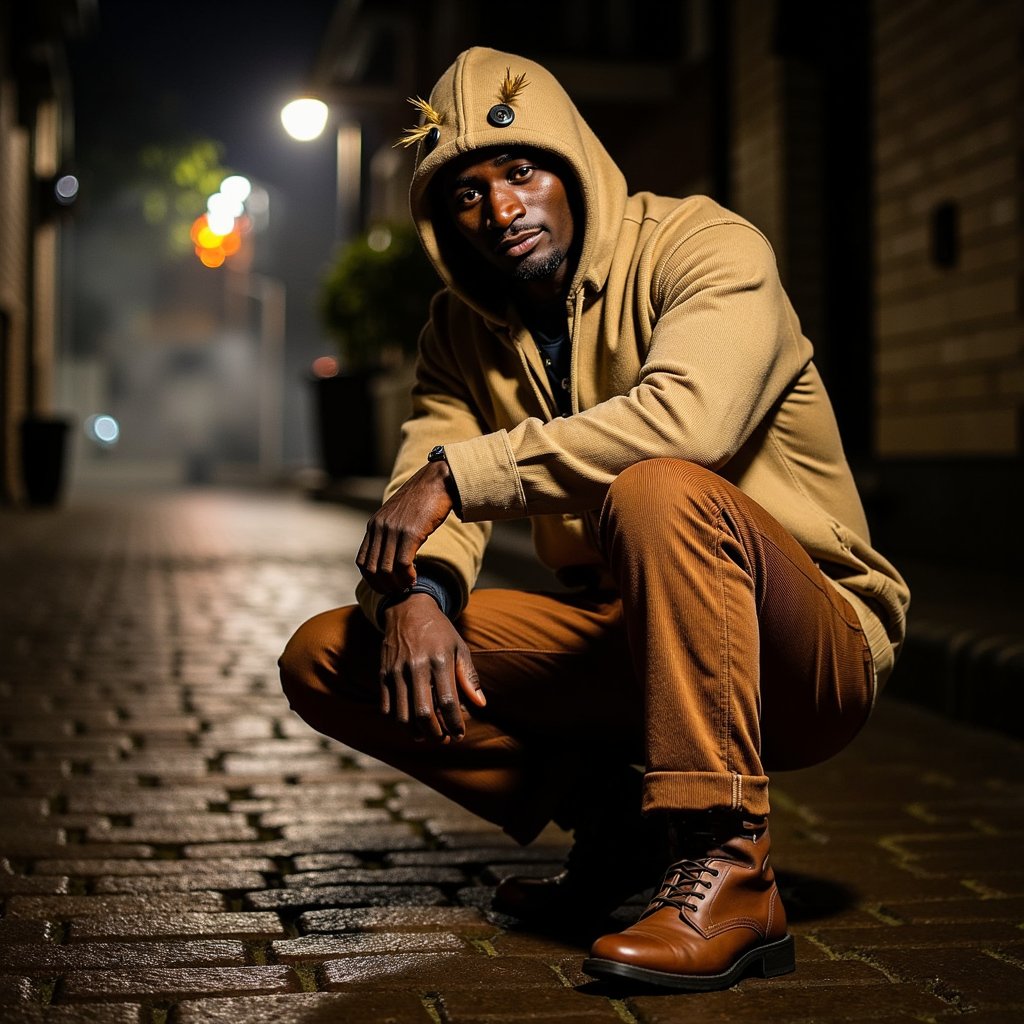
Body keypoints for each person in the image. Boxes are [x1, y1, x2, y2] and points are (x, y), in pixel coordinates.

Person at [279, 46, 909, 991]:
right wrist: (415, 593)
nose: (501, 209)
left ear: (572, 162)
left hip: (805, 647)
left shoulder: (704, 246)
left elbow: (688, 423)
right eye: (467, 193)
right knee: (332, 655)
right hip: (635, 645)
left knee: (658, 486)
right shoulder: (461, 331)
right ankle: (618, 829)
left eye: (522, 170)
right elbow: (422, 482)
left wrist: (465, 472)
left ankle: (729, 864)